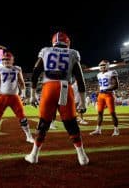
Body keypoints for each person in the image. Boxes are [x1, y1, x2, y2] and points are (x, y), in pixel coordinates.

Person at [25, 31, 89, 166]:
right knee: (71, 123)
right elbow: (80, 79)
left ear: (53, 42)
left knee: (44, 122)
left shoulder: (46, 51)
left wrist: (32, 95)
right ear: (68, 43)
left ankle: (34, 155)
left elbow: (35, 73)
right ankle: (82, 156)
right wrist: (82, 102)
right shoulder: (73, 53)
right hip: (65, 86)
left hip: (49, 87)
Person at [0, 51, 34, 145]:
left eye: (7, 59)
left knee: (22, 118)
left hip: (14, 98)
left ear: (12, 60)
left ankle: (29, 136)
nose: (6, 61)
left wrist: (23, 94)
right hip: (2, 97)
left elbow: (21, 82)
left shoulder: (17, 69)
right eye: (4, 59)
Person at [89, 60, 120, 136]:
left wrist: (107, 89)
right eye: (101, 65)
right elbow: (100, 85)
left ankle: (116, 130)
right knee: (99, 113)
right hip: (101, 95)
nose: (102, 67)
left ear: (107, 66)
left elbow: (116, 85)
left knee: (112, 113)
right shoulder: (98, 74)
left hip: (109, 95)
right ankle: (98, 130)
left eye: (104, 65)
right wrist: (98, 92)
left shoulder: (111, 73)